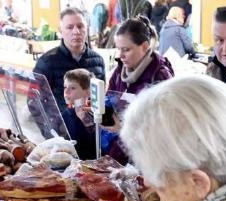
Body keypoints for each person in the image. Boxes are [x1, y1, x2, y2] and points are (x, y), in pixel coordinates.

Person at [104, 16, 174, 163]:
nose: (120, 55)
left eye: (126, 50)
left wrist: (123, 129)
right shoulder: (119, 71)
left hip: (148, 159)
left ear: (144, 46)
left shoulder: (160, 77)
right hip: (119, 152)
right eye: (118, 49)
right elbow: (109, 101)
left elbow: (163, 128)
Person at [34, 7, 106, 111]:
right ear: (61, 31)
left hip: (91, 125)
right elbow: (35, 102)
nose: (76, 31)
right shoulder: (47, 62)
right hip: (61, 125)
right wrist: (54, 126)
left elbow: (101, 98)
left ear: (87, 28)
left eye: (80, 26)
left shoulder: (98, 61)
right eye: (70, 27)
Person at [61, 69, 97, 160]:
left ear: (88, 92)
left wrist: (85, 120)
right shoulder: (65, 114)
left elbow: (96, 146)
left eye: (72, 88)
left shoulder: (96, 115)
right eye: (65, 87)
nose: (66, 92)